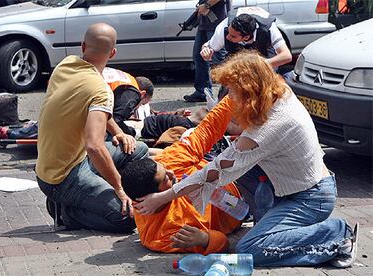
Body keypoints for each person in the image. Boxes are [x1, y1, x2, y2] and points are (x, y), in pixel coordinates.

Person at [134, 50, 358, 268]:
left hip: (310, 197)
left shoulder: (268, 128)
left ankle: (337, 235)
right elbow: (216, 124)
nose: (229, 98)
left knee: (250, 248)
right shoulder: (277, 90)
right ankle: (280, 227)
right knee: (233, 182)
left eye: (232, 91)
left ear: (249, 91)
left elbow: (215, 171)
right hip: (291, 184)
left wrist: (163, 197)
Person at [35, 23, 149, 233]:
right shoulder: (100, 90)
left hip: (57, 163)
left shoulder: (66, 65)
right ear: (113, 53)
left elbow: (94, 114)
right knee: (127, 219)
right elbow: (94, 146)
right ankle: (65, 213)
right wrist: (119, 189)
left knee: (138, 149)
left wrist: (119, 133)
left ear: (83, 46)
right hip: (61, 177)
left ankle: (95, 195)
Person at [120, 96, 243, 254]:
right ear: (149, 199)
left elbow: (208, 129)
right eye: (165, 179)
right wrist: (205, 239)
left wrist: (234, 94)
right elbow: (223, 243)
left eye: (165, 169)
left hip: (228, 166)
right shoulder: (162, 235)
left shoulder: (168, 161)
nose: (171, 173)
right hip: (241, 206)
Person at [200, 6, 292, 99]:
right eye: (228, 32)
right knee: (228, 90)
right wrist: (206, 51)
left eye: (232, 36)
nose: (227, 37)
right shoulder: (224, 26)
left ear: (246, 37)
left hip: (263, 56)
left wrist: (258, 66)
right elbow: (207, 46)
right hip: (236, 55)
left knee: (266, 90)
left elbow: (286, 56)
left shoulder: (269, 29)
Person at [183, 0, 230, 103]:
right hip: (205, 23)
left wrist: (207, 5)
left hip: (216, 23)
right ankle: (202, 92)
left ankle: (228, 92)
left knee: (219, 59)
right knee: (199, 56)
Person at [102, 67, 154, 136]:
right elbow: (115, 121)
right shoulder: (132, 94)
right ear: (143, 94)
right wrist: (132, 132)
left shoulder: (129, 79)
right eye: (141, 104)